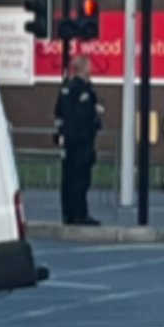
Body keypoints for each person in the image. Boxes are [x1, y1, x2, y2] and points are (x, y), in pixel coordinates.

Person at [53, 56, 103, 225]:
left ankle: (67, 213)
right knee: (81, 178)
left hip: (68, 140)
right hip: (82, 140)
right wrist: (97, 114)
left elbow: (59, 112)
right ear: (84, 69)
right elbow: (87, 115)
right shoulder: (86, 91)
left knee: (68, 177)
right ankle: (80, 213)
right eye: (89, 66)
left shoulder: (65, 88)